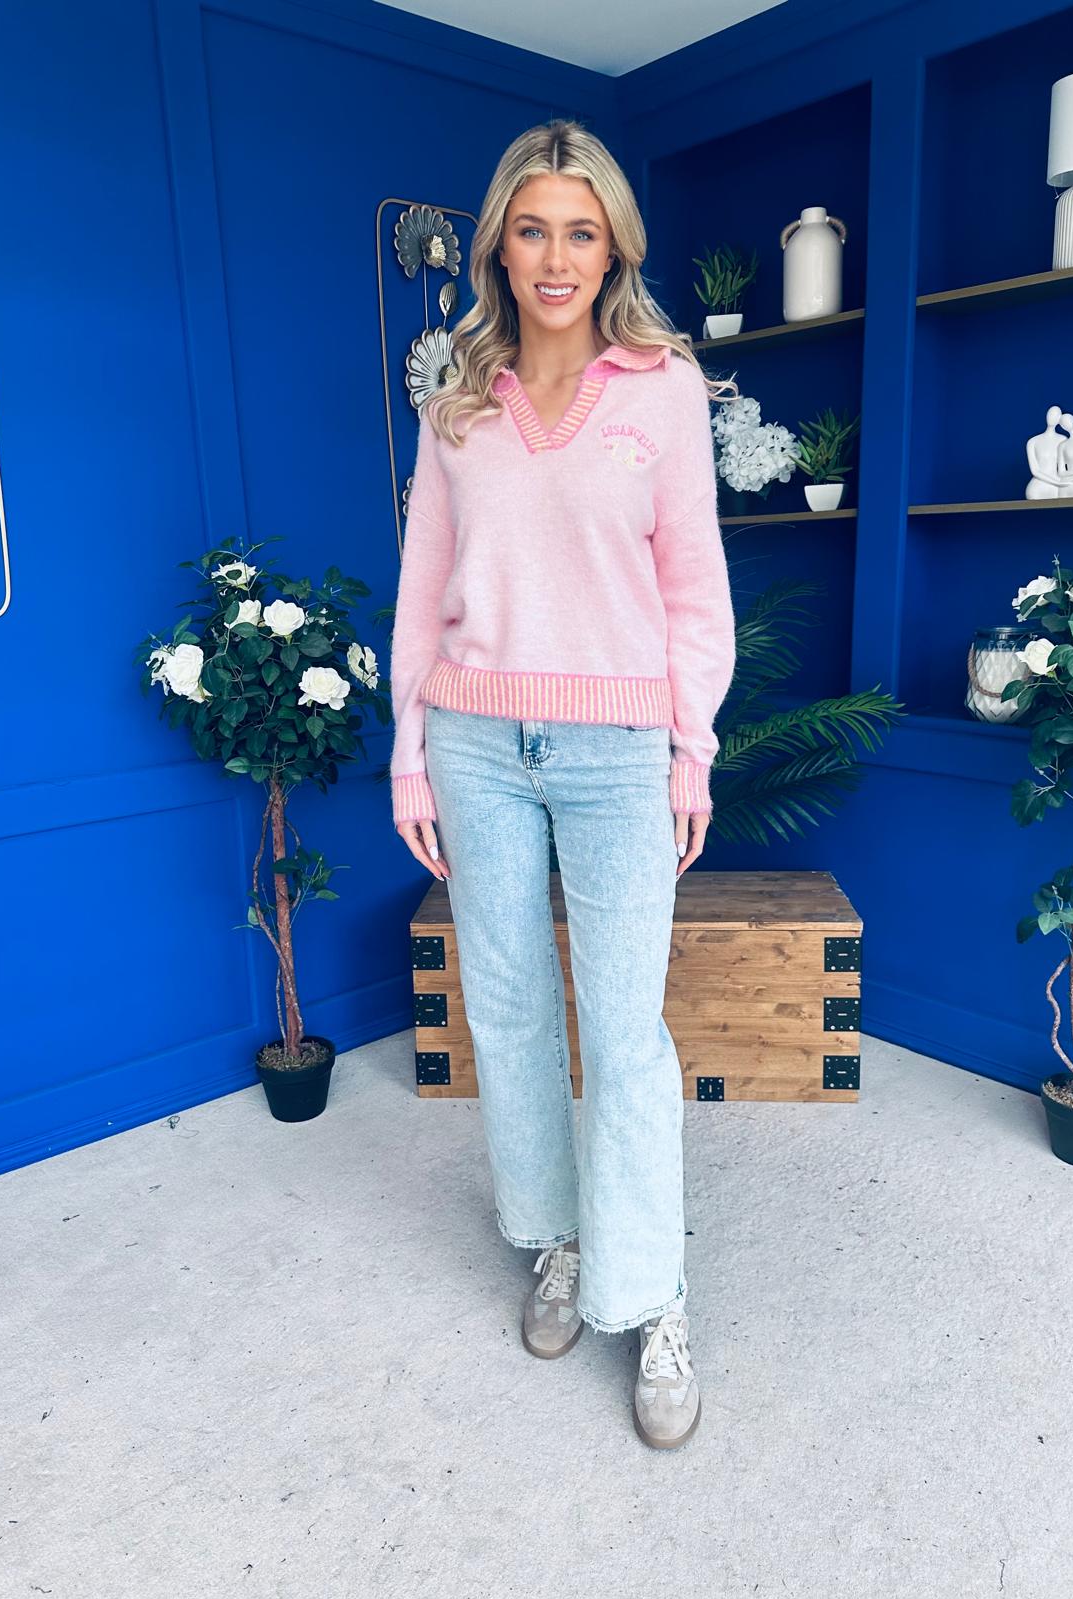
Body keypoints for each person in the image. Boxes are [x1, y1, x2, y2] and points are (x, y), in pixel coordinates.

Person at [388, 117, 738, 1450]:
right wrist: (410, 749)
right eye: (531, 229)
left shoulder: (663, 389)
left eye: (580, 232)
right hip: (474, 742)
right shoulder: (457, 406)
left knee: (628, 1031)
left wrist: (691, 747)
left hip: (616, 754)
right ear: (497, 244)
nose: (554, 257)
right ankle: (559, 1241)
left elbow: (694, 588)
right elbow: (422, 590)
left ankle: (650, 1295)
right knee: (510, 1010)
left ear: (614, 249)